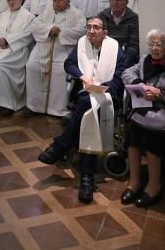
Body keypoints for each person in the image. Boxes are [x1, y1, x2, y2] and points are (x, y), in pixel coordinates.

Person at [38, 17, 126, 203]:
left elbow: (119, 79)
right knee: (88, 111)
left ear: (105, 32)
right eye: (89, 27)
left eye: (96, 28)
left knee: (87, 105)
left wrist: (101, 88)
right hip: (86, 93)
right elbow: (68, 64)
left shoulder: (115, 48)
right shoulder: (81, 44)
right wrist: (83, 77)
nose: (91, 31)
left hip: (109, 96)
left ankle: (61, 145)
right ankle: (87, 176)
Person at [120, 29, 165, 208]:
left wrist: (162, 94)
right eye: (151, 44)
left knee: (151, 134)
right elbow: (126, 73)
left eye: (159, 44)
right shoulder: (144, 59)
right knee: (132, 130)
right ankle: (135, 181)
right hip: (148, 112)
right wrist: (141, 85)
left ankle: (154, 186)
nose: (154, 47)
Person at [25, 0, 86, 117]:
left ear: (68, 1)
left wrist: (61, 32)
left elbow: (82, 31)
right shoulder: (47, 12)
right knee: (32, 66)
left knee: (61, 72)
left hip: (64, 51)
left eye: (60, 0)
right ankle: (34, 106)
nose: (57, 3)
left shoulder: (76, 13)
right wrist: (49, 29)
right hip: (42, 49)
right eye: (54, 0)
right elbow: (34, 26)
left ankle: (59, 109)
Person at [98, 0, 140, 65]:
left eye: (119, 0)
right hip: (105, 59)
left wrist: (123, 63)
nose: (115, 3)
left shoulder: (134, 18)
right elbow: (98, 42)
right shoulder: (101, 17)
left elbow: (134, 45)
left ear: (126, 2)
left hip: (127, 60)